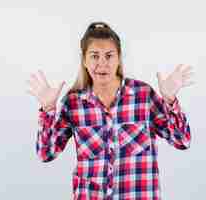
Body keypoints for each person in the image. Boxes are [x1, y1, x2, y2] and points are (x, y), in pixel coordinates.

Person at [27, 21, 194, 200]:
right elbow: (46, 153)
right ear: (84, 60)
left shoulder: (143, 96)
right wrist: (48, 109)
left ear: (119, 58)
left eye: (109, 56)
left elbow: (182, 140)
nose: (102, 63)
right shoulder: (73, 103)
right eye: (94, 56)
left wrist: (169, 100)